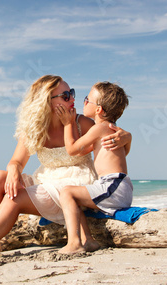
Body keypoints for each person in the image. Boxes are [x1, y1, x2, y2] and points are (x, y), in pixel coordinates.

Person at [0, 75, 132, 268]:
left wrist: (127, 137)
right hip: (47, 179)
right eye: (66, 95)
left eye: (72, 93)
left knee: (14, 198)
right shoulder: (35, 129)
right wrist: (13, 170)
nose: (73, 99)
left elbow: (109, 139)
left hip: (75, 184)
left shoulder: (81, 123)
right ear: (46, 101)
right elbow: (17, 160)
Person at [54, 81, 133, 254]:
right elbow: (87, 151)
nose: (83, 103)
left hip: (113, 186)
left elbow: (72, 150)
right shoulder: (111, 129)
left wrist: (68, 124)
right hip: (119, 186)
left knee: (67, 192)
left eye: (86, 99)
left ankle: (74, 243)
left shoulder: (101, 128)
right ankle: (88, 241)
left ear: (98, 110)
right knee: (76, 195)